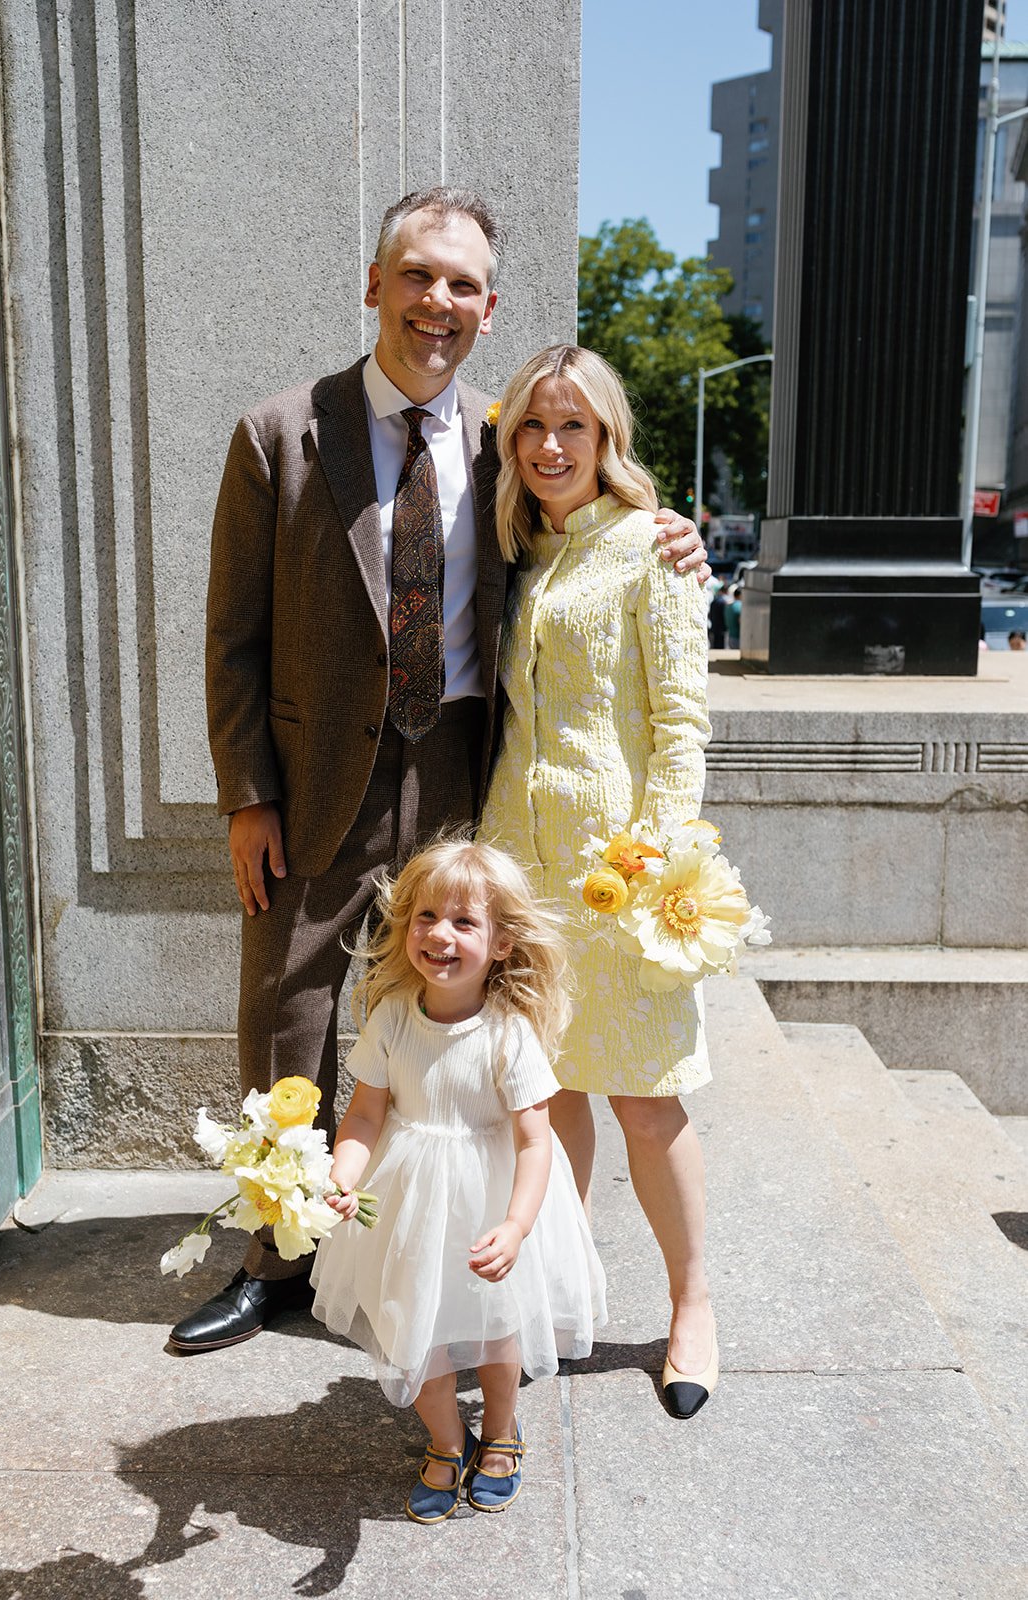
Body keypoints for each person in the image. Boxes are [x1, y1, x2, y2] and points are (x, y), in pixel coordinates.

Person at [174, 187, 706, 1354]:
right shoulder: (281, 434)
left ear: (487, 307)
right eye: (417, 275)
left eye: (461, 285)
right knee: (290, 1006)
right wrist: (245, 794)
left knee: (455, 1019)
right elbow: (231, 639)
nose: (436, 302)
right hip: (317, 783)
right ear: (374, 285)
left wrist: (673, 532)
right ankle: (272, 1258)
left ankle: (423, 1246)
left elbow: (588, 543)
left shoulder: (506, 445)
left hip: (468, 779)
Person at [478, 345, 718, 1418]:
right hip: (518, 870)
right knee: (551, 1089)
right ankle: (561, 1298)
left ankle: (691, 1305)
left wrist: (647, 855)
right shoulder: (518, 551)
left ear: (607, 437)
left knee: (645, 1097)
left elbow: (682, 729)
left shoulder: (651, 552)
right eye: (532, 425)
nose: (550, 445)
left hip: (619, 868)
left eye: (572, 425)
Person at [312, 838, 605, 1522]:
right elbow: (363, 1115)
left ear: (502, 944)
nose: (438, 935)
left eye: (463, 923)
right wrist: (343, 1176)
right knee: (415, 1322)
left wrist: (515, 1224)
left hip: (488, 1195)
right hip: (410, 1197)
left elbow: (535, 1142)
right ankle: (446, 1439)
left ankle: (500, 1428)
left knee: (499, 1329)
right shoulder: (391, 1018)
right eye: (424, 917)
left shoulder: (508, 1035)